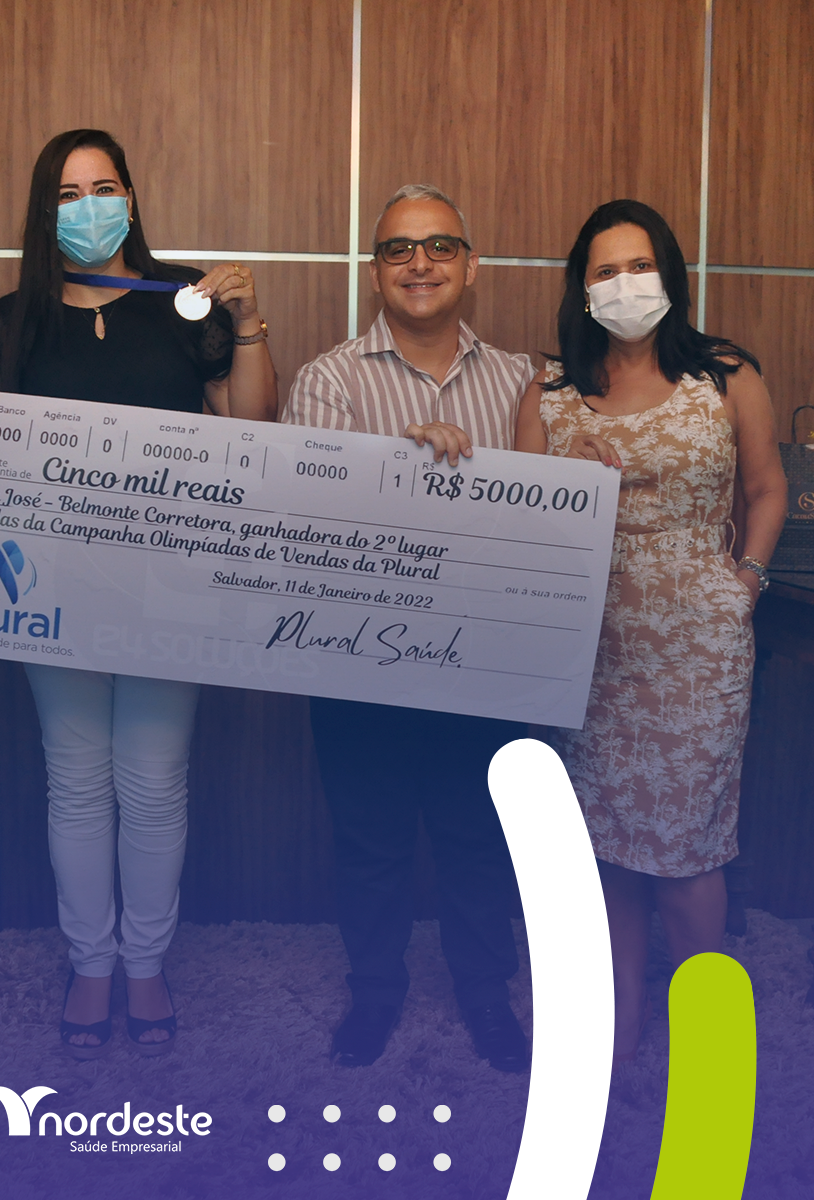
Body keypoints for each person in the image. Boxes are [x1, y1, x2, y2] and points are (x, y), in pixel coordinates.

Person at [0, 128, 277, 1058]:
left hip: (173, 586)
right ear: (43, 212)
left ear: (131, 198)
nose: (88, 207)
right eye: (67, 193)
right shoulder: (12, 318)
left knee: (155, 781)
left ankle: (146, 964)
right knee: (77, 781)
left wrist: (249, 323)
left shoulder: (184, 299)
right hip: (50, 588)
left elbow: (252, 429)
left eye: (104, 187)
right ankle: (91, 965)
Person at [514, 199, 786, 1065]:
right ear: (582, 287)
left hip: (700, 647)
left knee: (689, 851)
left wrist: (745, 584)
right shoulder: (549, 392)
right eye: (606, 270)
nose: (625, 284)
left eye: (641, 266)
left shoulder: (726, 375)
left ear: (669, 273)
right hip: (588, 648)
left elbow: (767, 488)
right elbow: (519, 517)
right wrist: (562, 478)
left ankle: (705, 1040)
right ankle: (619, 1020)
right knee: (606, 847)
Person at [285, 184, 534, 1071]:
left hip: (487, 657)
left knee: (480, 839)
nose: (419, 264)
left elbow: (543, 519)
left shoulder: (525, 381)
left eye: (439, 247)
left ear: (472, 264)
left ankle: (486, 994)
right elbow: (309, 521)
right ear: (374, 271)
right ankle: (375, 994)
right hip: (363, 659)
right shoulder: (328, 379)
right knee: (370, 842)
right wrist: (401, 467)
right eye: (398, 249)